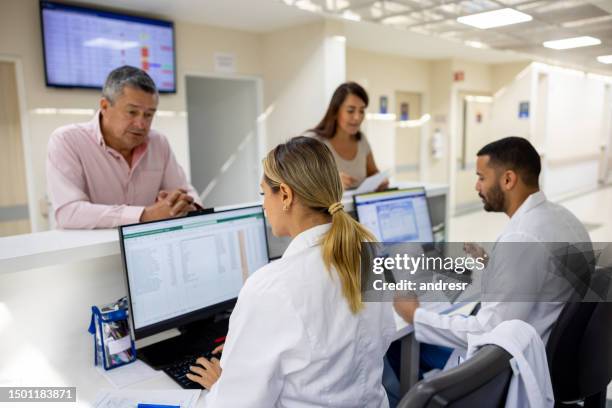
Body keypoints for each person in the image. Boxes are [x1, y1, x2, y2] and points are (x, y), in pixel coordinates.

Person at [186, 136, 396, 407]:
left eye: (264, 194)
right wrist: (250, 348)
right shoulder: (370, 251)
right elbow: (376, 337)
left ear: (285, 195)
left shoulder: (272, 287)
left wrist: (223, 385)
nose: (263, 205)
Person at [393, 136, 591, 365]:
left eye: (481, 178)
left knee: (400, 346)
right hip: (564, 353)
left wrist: (415, 316)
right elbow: (540, 278)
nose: (477, 186)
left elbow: (488, 331)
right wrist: (492, 264)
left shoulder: (521, 238)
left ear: (508, 179)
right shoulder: (563, 218)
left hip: (519, 363)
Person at [46, 65, 200, 229]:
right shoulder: (67, 140)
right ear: (105, 106)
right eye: (132, 112)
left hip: (146, 248)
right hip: (92, 252)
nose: (141, 124)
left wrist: (184, 205)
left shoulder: (158, 143)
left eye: (148, 115)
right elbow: (69, 212)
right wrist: (145, 215)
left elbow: (186, 192)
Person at [305, 82, 388, 190]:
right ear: (335, 112)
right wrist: (330, 182)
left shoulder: (361, 140)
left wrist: (379, 180)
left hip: (359, 205)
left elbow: (372, 172)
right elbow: (303, 185)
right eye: (350, 111)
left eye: (361, 111)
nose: (357, 117)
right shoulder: (315, 143)